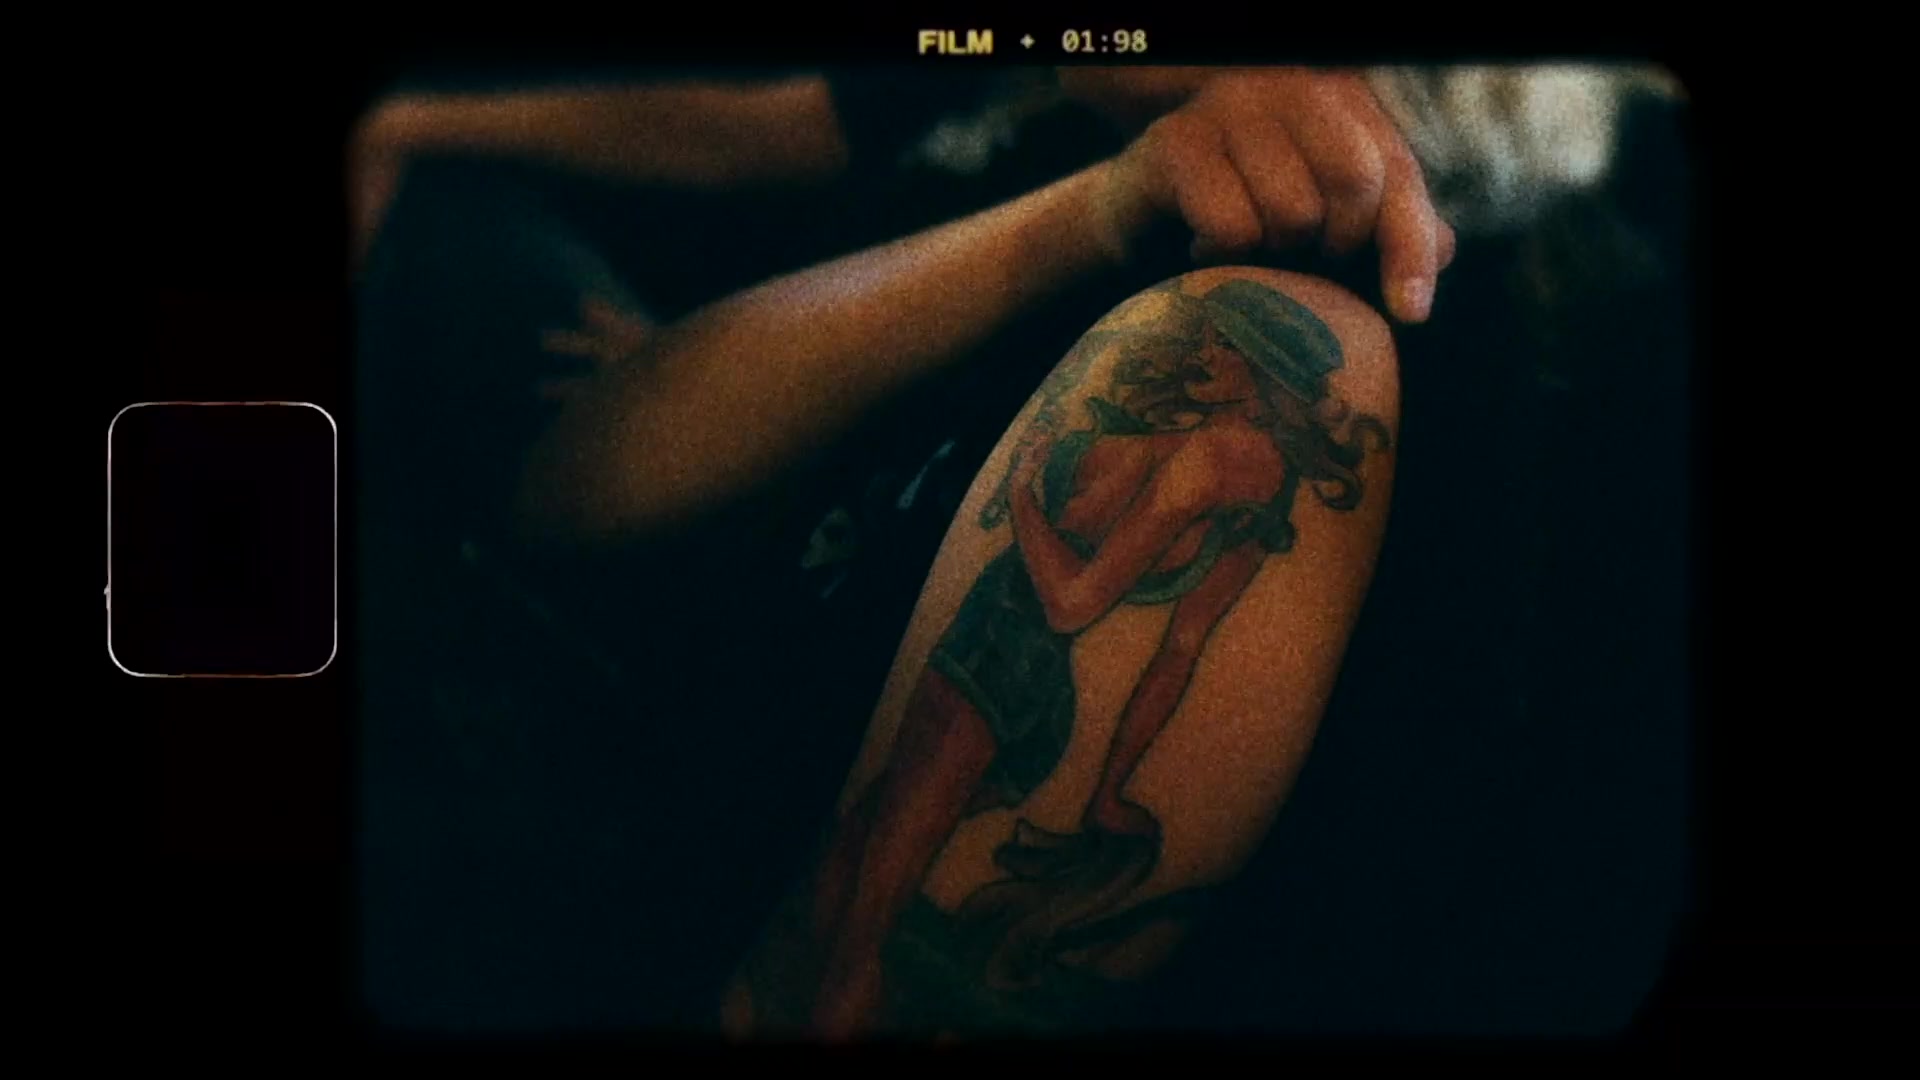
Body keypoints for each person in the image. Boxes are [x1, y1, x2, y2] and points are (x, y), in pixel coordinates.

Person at [353, 64, 1683, 1037]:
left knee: (862, 919)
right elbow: (572, 482)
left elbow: (1091, 598)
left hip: (933, 700)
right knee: (464, 236)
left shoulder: (1292, 350)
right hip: (711, 667)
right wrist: (1085, 211)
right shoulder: (1029, 119)